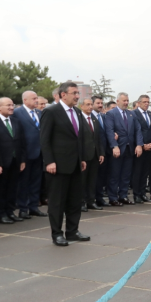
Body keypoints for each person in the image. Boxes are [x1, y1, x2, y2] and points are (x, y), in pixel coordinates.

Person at [40, 82, 90, 247]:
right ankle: (57, 234)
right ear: (63, 95)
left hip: (75, 163)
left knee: (74, 200)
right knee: (57, 202)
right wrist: (49, 161)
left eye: (77, 93)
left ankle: (72, 231)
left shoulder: (77, 112)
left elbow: (79, 138)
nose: (77, 96)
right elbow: (44, 139)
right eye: (74, 93)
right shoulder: (51, 111)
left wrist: (82, 158)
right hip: (58, 165)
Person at [0, 97, 26, 224]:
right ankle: (1, 214)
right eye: (8, 105)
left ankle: (10, 212)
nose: (11, 107)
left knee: (12, 188)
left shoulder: (16, 121)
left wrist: (22, 160)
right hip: (1, 162)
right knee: (1, 189)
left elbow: (22, 141)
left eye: (12, 105)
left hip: (15, 160)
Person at [13, 91, 47, 219]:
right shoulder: (17, 113)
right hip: (25, 154)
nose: (36, 100)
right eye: (33, 98)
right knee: (23, 182)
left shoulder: (39, 113)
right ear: (25, 100)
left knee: (36, 181)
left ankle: (33, 207)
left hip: (39, 153)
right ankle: (23, 208)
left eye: (37, 98)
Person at [105, 93, 143, 206]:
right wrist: (114, 146)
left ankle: (123, 196)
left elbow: (138, 130)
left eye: (127, 100)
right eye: (124, 101)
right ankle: (112, 197)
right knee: (114, 175)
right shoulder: (111, 114)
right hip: (117, 149)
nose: (126, 103)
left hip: (129, 149)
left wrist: (139, 144)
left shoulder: (131, 114)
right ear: (118, 101)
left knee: (126, 175)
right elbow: (109, 130)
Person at [80, 98, 105, 211]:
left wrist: (101, 153)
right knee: (82, 180)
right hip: (84, 156)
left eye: (91, 104)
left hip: (95, 155)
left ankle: (91, 201)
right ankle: (81, 202)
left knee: (92, 180)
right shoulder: (79, 119)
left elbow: (98, 138)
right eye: (87, 105)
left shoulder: (94, 119)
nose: (90, 107)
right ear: (81, 106)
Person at [132, 95, 151, 203]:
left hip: (149, 148)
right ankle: (136, 194)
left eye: (148, 102)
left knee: (145, 172)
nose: (147, 104)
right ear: (139, 102)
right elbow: (135, 131)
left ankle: (142, 193)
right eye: (144, 102)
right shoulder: (134, 114)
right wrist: (141, 145)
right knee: (138, 172)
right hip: (139, 148)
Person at [91, 96, 110, 207]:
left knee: (101, 177)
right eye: (98, 103)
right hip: (93, 152)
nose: (100, 105)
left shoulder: (103, 116)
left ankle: (99, 198)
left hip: (104, 151)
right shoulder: (88, 117)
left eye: (101, 103)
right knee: (93, 178)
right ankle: (90, 199)